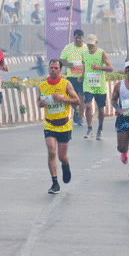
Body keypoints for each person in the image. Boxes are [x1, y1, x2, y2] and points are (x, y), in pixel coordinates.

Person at [38, 59, 81, 194]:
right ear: (48, 69)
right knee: (51, 152)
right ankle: (55, 183)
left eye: (56, 68)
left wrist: (62, 99)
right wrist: (42, 104)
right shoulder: (42, 85)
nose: (53, 70)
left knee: (62, 156)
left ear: (60, 70)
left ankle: (65, 165)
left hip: (64, 125)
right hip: (49, 124)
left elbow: (77, 101)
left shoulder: (66, 84)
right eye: (51, 68)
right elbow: (38, 102)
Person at [80, 34, 114, 140]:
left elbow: (110, 68)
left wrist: (98, 67)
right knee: (88, 105)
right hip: (88, 84)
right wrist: (81, 76)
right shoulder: (84, 53)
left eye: (92, 44)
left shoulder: (101, 53)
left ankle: (100, 129)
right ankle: (90, 129)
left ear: (96, 43)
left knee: (101, 109)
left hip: (99, 85)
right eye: (88, 44)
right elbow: (84, 66)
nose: (90, 46)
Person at [59, 29, 88, 126]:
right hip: (71, 77)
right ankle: (76, 111)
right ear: (74, 38)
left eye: (80, 38)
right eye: (76, 38)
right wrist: (68, 64)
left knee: (82, 97)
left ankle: (80, 117)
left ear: (83, 38)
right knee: (71, 96)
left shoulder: (86, 48)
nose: (78, 40)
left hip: (83, 76)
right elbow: (61, 60)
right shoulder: (68, 48)